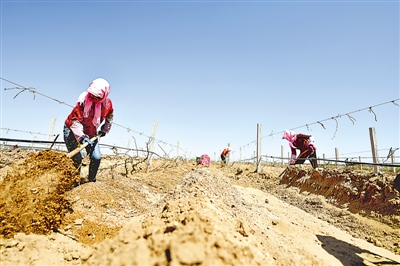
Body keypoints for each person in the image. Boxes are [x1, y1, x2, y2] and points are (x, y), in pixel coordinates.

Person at [63, 78, 114, 184]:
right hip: (72, 130)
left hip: (91, 132)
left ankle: (91, 180)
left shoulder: (107, 105)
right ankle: (74, 182)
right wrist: (81, 137)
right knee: (76, 158)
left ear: (104, 95)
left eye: (97, 96)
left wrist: (105, 129)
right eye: (92, 95)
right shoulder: (83, 101)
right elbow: (75, 121)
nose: (94, 98)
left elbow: (110, 116)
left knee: (96, 157)